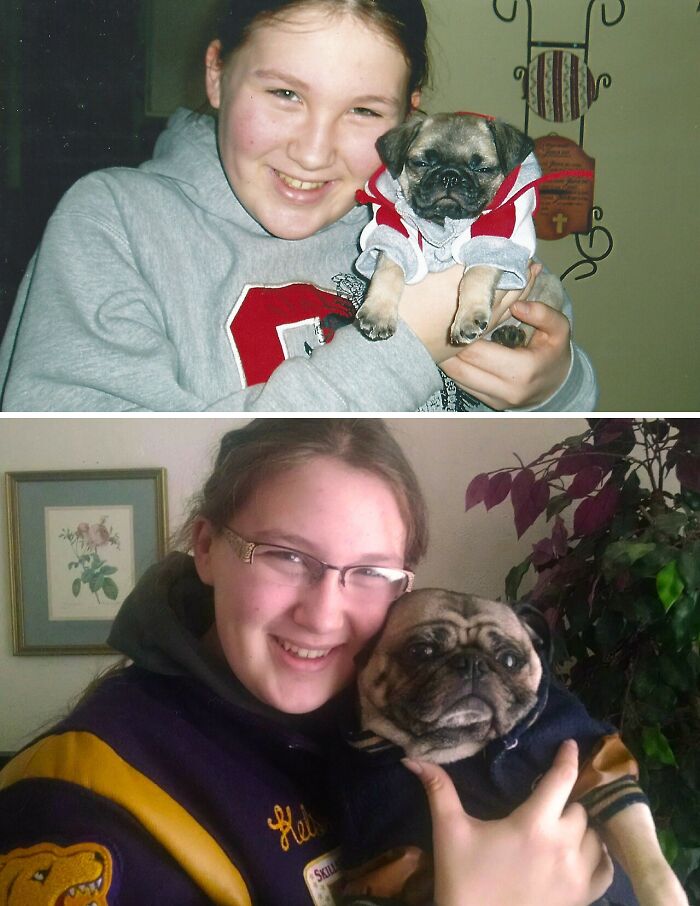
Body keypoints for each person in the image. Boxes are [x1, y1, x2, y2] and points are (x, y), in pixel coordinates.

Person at [0, 418, 613, 905]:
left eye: (371, 572)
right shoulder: (75, 806)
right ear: (207, 548)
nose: (324, 615)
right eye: (286, 557)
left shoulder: (398, 719)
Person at [0, 0, 596, 412]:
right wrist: (406, 346)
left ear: (410, 118)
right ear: (216, 74)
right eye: (285, 93)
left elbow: (558, 375)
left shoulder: (420, 221)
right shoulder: (112, 223)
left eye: (363, 111)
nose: (312, 154)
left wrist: (557, 384)